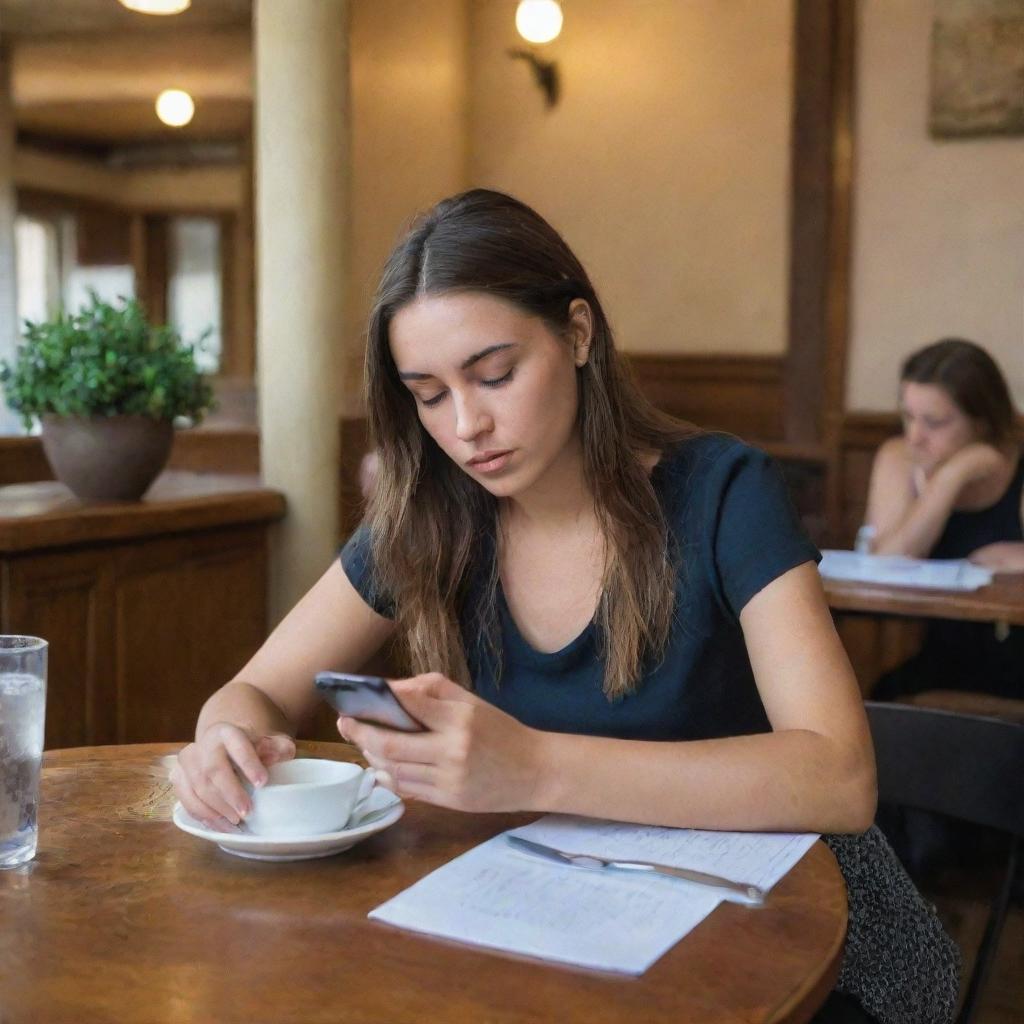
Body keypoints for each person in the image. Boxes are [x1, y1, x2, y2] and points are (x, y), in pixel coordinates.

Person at [171, 190, 957, 1024]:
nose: (468, 424)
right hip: (569, 939)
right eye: (429, 395)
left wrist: (532, 765)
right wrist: (224, 739)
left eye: (496, 374)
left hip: (804, 948)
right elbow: (253, 692)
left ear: (577, 334)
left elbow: (841, 779)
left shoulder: (726, 493)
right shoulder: (428, 519)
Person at [866, 338, 1024, 701]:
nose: (914, 436)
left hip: (1016, 663)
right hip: (940, 663)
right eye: (908, 416)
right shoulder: (899, 458)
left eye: (934, 422)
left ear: (982, 422)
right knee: (881, 701)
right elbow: (886, 562)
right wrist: (951, 478)